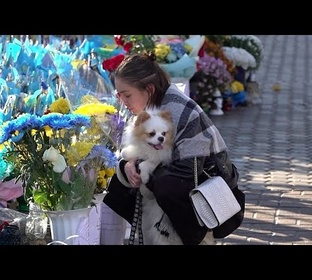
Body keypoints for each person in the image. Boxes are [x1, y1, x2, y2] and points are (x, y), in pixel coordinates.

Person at [103, 52, 242, 245]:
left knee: (166, 185)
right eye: (119, 95)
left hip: (212, 195)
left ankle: (196, 238)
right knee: (120, 184)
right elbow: (136, 151)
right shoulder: (149, 106)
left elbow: (186, 172)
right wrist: (128, 165)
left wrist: (140, 166)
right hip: (182, 180)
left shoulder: (176, 109)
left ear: (149, 89)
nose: (122, 102)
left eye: (126, 95)